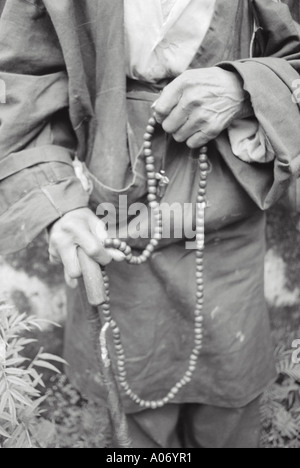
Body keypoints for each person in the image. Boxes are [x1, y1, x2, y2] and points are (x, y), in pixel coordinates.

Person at [0, 0, 300, 449]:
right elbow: (27, 75)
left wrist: (250, 87)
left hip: (227, 200)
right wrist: (57, 200)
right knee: (133, 400)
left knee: (229, 395)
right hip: (111, 206)